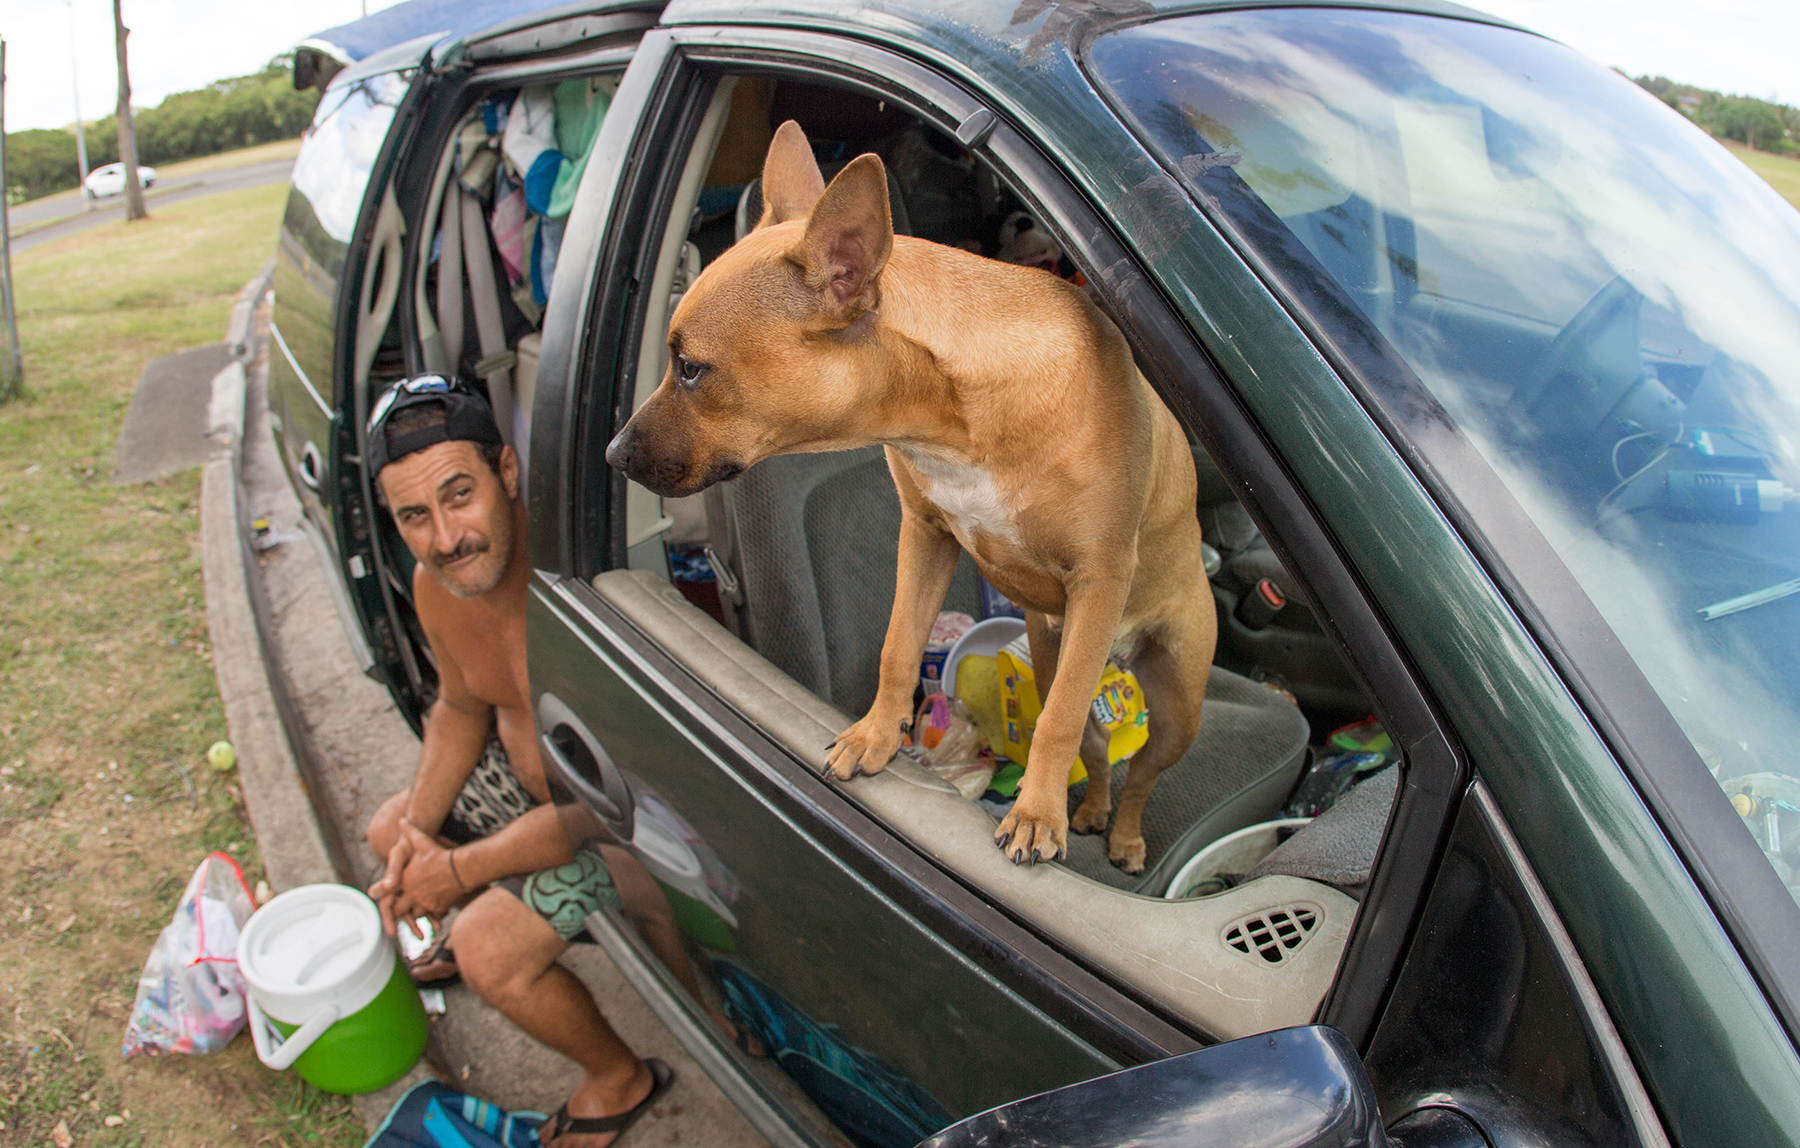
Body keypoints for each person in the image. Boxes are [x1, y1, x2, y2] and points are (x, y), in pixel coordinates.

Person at [361, 377, 704, 1147]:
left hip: (629, 831)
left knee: (485, 946)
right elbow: (458, 706)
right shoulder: (437, 583)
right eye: (415, 516)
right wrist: (421, 833)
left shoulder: (585, 586)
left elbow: (610, 806)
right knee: (389, 829)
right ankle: (468, 890)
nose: (446, 537)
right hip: (536, 793)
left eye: (460, 496)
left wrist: (460, 872)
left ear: (507, 475)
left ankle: (621, 1080)